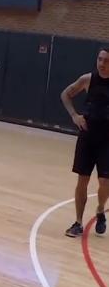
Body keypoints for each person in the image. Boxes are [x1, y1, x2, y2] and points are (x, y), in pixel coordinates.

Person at [60, 46, 109, 238]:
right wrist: (74, 115)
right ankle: (78, 223)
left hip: (107, 141)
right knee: (83, 180)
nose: (102, 64)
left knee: (105, 182)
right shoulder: (87, 79)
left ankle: (100, 209)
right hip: (87, 137)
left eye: (106, 61)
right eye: (100, 59)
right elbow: (65, 94)